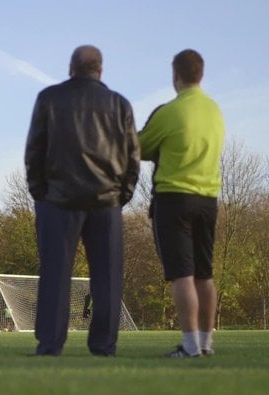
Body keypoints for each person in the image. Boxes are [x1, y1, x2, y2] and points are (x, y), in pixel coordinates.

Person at [24, 45, 140, 356]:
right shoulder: (119, 104)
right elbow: (133, 158)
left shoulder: (49, 98)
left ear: (71, 68)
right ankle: (103, 344)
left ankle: (50, 343)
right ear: (100, 70)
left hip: (58, 199)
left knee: (55, 274)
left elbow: (35, 149)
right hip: (106, 201)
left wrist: (40, 193)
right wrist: (121, 195)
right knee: (108, 278)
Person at [138, 49, 224, 358]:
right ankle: (205, 343)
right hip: (209, 201)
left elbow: (140, 147)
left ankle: (189, 347)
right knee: (205, 273)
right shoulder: (215, 110)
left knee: (182, 274)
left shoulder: (170, 112)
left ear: (175, 75)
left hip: (174, 200)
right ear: (201, 74)